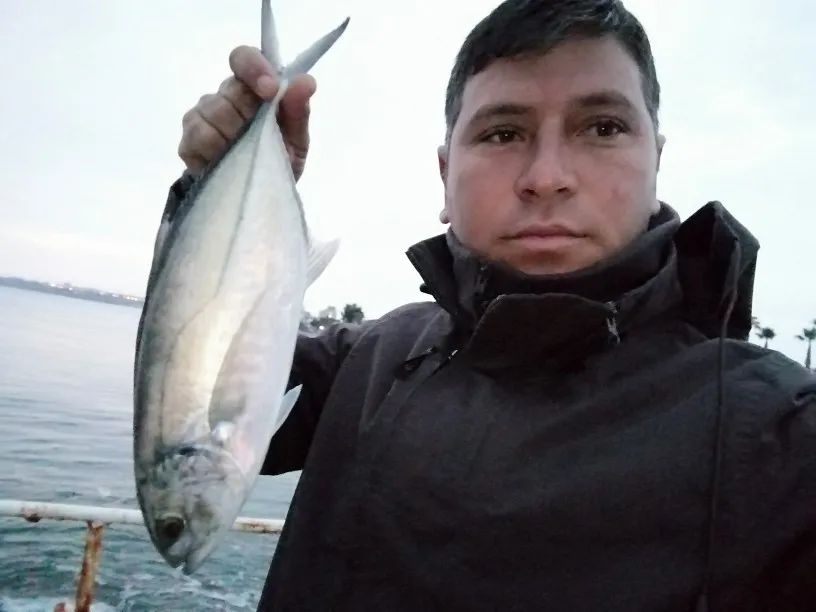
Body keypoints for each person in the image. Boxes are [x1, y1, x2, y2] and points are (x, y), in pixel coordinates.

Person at [147, 0, 816, 609]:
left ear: (655, 162)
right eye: (502, 133)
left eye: (603, 127)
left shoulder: (781, 434)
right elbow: (191, 375)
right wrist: (209, 190)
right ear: (445, 176)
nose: (547, 178)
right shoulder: (370, 360)